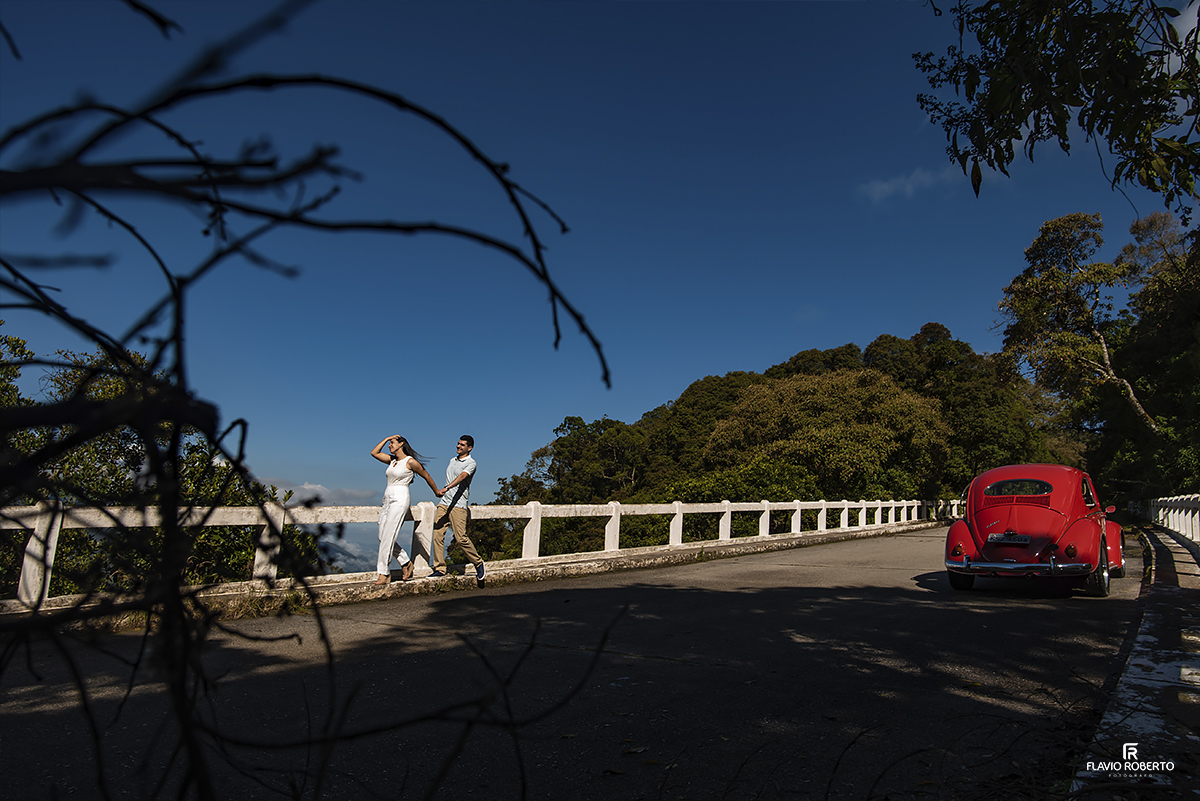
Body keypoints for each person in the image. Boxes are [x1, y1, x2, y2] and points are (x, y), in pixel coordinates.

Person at [370, 435, 441, 585]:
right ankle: (406, 562)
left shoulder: (410, 462)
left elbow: (426, 475)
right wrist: (386, 438)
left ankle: (384, 573)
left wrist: (436, 491)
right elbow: (374, 453)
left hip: (400, 498)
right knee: (382, 536)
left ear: (401, 444)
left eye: (392, 443)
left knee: (389, 536)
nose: (389, 446)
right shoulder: (392, 461)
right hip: (387, 498)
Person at [431, 434, 486, 584]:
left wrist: (447, 487)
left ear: (469, 448)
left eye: (462, 445)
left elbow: (462, 477)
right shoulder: (451, 461)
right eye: (458, 444)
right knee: (437, 534)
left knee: (461, 538)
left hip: (459, 505)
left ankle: (478, 563)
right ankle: (439, 569)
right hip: (445, 503)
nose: (458, 446)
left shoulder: (471, 463)